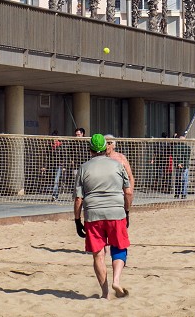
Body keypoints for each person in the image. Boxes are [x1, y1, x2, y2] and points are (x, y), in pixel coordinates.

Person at [75, 132, 132, 299]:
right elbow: (128, 192)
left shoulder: (84, 168)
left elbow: (79, 198)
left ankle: (105, 292)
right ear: (105, 147)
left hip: (93, 214)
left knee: (98, 254)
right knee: (119, 247)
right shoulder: (117, 165)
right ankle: (116, 280)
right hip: (116, 211)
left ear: (90, 149)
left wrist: (77, 221)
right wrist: (126, 212)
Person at [52, 127, 86, 201]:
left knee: (85, 181)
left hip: (85, 165)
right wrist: (71, 161)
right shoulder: (72, 142)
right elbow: (69, 153)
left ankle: (84, 195)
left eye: (79, 134)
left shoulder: (86, 142)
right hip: (76, 165)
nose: (77, 136)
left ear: (82, 134)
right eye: (76, 134)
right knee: (76, 181)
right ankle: (75, 196)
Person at [173, 134, 191, 199]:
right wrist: (184, 164)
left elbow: (174, 157)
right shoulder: (188, 148)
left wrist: (178, 163)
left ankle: (177, 194)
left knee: (178, 180)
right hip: (185, 166)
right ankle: (183, 194)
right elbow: (187, 158)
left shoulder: (175, 147)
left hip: (178, 166)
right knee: (184, 180)